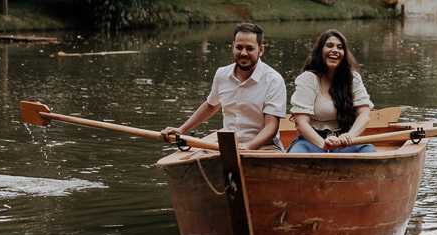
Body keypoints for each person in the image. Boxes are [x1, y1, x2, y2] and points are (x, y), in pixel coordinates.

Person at [160, 23, 286, 151]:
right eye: (239, 47)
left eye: (249, 48)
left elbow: (271, 126)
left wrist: (248, 146)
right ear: (233, 47)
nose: (243, 53)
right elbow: (211, 105)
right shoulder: (222, 75)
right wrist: (182, 129)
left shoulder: (274, 80)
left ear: (261, 50)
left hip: (265, 147)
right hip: (228, 145)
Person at [287, 29, 377, 153]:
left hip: (345, 139)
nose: (335, 50)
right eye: (329, 46)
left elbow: (364, 115)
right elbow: (301, 122)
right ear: (320, 52)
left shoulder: (353, 78)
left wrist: (350, 136)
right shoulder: (308, 78)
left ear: (344, 54)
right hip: (312, 140)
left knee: (369, 152)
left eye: (340, 47)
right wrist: (323, 144)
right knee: (297, 156)